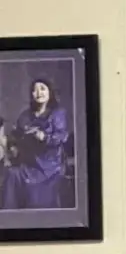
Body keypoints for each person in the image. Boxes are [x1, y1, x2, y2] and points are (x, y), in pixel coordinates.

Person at [0, 77, 72, 209]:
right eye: (35, 90)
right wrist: (13, 145)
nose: (39, 92)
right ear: (31, 94)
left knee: (32, 187)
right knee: (11, 174)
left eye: (42, 89)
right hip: (29, 162)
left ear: (49, 92)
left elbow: (62, 137)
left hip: (50, 165)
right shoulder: (25, 115)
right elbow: (16, 135)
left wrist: (44, 137)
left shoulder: (58, 113)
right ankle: (9, 217)